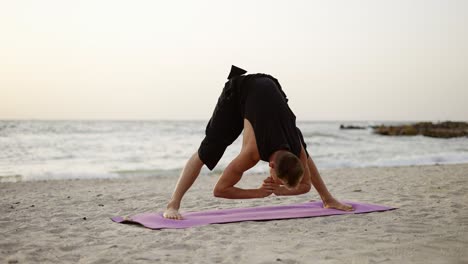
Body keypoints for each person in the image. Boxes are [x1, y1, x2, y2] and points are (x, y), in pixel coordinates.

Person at [163, 65, 353, 220]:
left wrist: (282, 191)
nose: (276, 182)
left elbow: (306, 185)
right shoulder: (252, 153)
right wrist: (258, 192)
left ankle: (328, 199)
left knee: (303, 145)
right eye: (278, 179)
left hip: (270, 85)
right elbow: (220, 190)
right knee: (209, 148)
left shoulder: (297, 149)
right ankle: (173, 204)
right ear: (271, 165)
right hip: (240, 90)